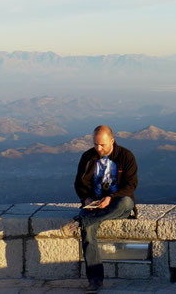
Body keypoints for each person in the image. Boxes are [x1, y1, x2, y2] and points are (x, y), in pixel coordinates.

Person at [62, 125, 138, 293]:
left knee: (126, 202)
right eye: (95, 144)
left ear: (112, 141)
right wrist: (86, 199)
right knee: (87, 232)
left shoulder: (126, 157)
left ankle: (83, 221)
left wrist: (111, 197)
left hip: (117, 204)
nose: (98, 148)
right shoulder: (88, 157)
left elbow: (131, 186)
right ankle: (95, 281)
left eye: (102, 145)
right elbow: (79, 184)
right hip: (95, 206)